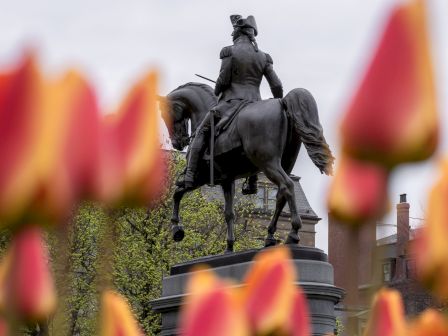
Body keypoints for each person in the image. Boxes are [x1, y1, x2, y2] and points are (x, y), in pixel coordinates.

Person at [184, 14, 283, 192]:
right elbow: (276, 85)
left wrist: (218, 89)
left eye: (234, 31)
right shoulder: (264, 57)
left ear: (238, 31)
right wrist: (278, 103)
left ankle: (189, 174)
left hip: (231, 103)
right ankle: (252, 181)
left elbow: (222, 80)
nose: (232, 35)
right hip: (255, 104)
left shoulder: (229, 51)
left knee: (202, 131)